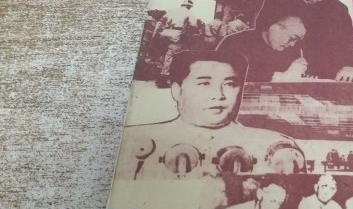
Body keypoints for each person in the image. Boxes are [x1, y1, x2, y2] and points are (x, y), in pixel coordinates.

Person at [116, 49, 305, 180]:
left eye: (230, 84)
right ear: (177, 91)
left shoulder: (274, 146)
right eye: (204, 83)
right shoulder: (135, 141)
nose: (219, 95)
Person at [255, 0, 353, 80]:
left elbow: (348, 39)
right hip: (278, 48)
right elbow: (263, 21)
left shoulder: (338, 9)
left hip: (316, 56)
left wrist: (348, 66)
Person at [217, 14, 308, 82]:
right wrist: (279, 77)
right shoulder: (235, 42)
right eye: (292, 38)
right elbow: (225, 73)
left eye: (296, 41)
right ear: (275, 28)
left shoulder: (290, 52)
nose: (292, 44)